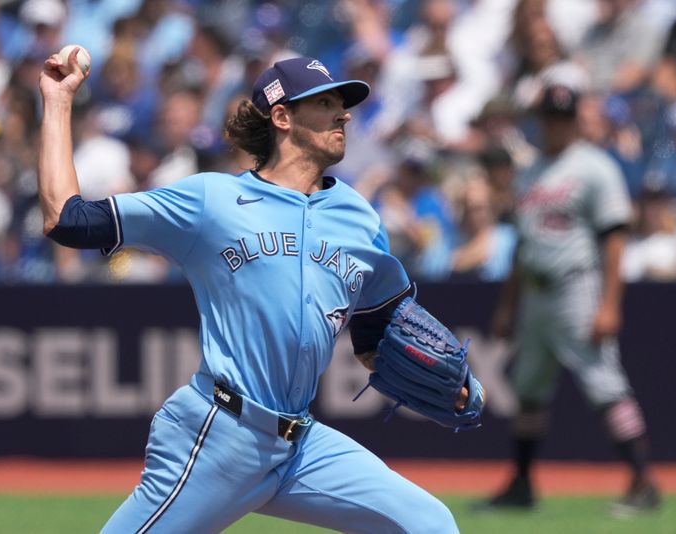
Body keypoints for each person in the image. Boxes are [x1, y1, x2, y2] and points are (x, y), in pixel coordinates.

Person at [38, 51, 462, 533]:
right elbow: (67, 220)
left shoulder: (359, 216)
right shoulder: (211, 201)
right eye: (325, 103)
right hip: (221, 435)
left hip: (300, 446)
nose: (343, 113)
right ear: (282, 117)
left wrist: (435, 372)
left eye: (342, 103)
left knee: (429, 523)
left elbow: (375, 328)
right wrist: (58, 100)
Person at [479, 84, 661, 516]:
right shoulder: (531, 171)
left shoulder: (595, 167)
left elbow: (615, 238)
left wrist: (610, 303)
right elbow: (522, 247)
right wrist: (507, 306)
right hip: (535, 294)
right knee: (528, 390)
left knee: (605, 384)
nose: (554, 124)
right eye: (548, 116)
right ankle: (522, 484)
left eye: (562, 116)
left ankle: (643, 482)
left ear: (575, 119)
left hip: (576, 287)